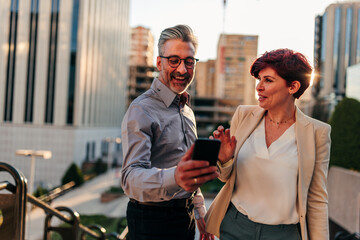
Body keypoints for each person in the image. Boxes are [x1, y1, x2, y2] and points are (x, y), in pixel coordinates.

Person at [205, 48, 331, 240]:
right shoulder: (243, 115)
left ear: (293, 87)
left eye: (268, 80)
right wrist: (225, 159)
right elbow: (225, 179)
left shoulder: (317, 133)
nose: (259, 87)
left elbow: (317, 198)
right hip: (235, 227)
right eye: (259, 79)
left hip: (284, 234)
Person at [121, 25, 217, 240]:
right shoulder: (141, 109)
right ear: (159, 62)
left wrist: (200, 213)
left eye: (189, 61)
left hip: (185, 217)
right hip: (151, 221)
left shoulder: (188, 112)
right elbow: (129, 178)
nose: (182, 70)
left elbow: (187, 172)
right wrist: (175, 176)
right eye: (174, 60)